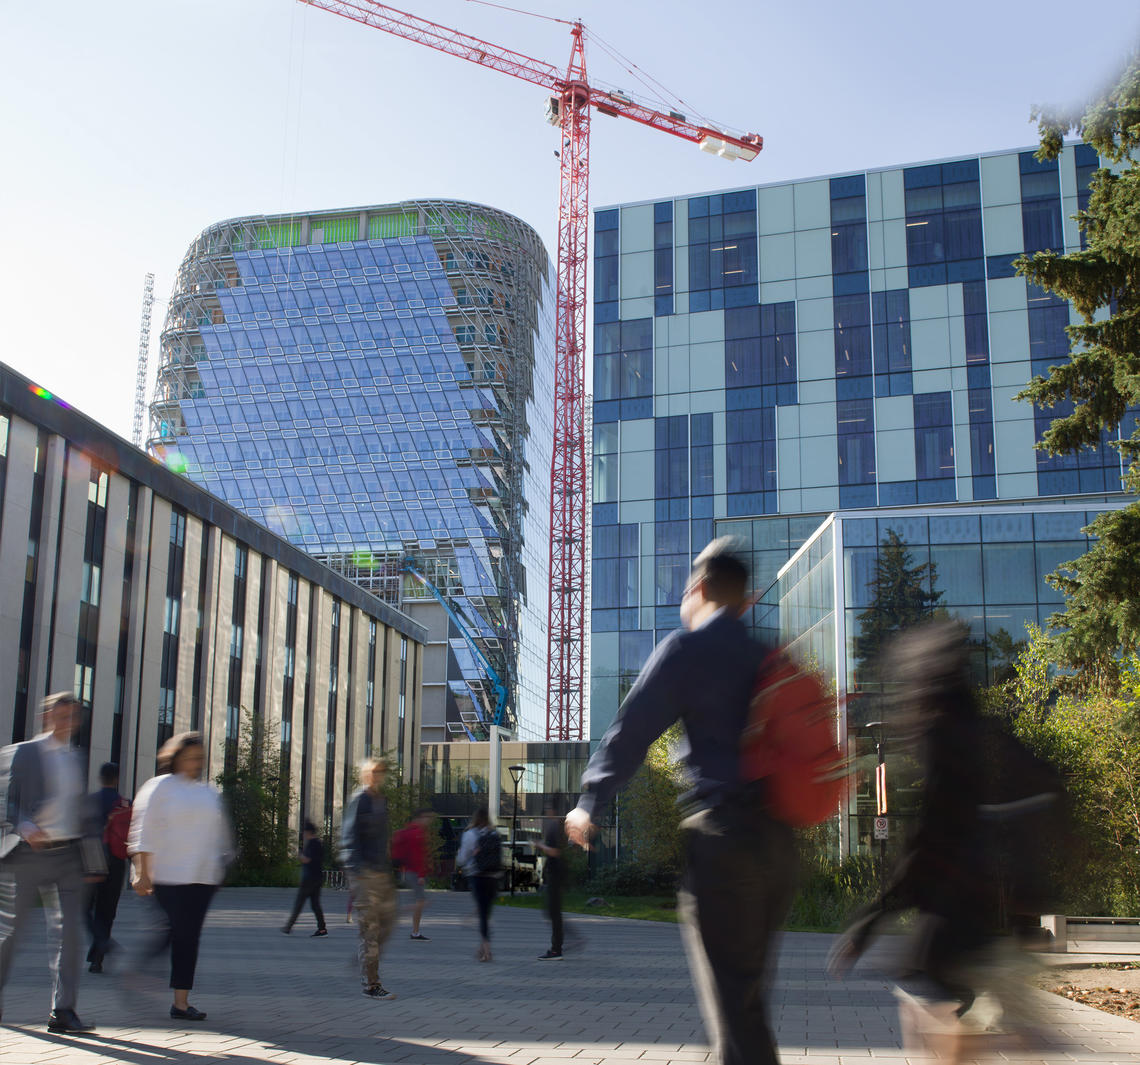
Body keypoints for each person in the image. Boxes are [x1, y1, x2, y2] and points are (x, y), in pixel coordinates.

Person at [565, 538, 796, 1065]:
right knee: (746, 1003)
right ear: (748, 599)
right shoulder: (770, 655)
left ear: (700, 588)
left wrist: (589, 802)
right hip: (779, 846)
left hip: (726, 844)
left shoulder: (687, 650)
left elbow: (630, 731)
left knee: (737, 1013)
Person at [0, 692, 105, 1034]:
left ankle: (63, 1012)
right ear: (46, 717)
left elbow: (83, 813)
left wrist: (93, 860)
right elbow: (7, 800)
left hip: (68, 855)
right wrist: (25, 826)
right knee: (11, 934)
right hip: (27, 854)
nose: (66, 722)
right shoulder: (26, 752)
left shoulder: (76, 757)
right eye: (60, 716)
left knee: (70, 935)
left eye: (72, 717)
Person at [128, 731, 232, 1022]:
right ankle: (138, 971)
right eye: (189, 757)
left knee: (188, 938)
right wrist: (141, 872)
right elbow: (143, 830)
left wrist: (221, 866)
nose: (195, 763)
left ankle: (181, 1003)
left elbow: (220, 833)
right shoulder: (159, 787)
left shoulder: (208, 792)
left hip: (203, 877)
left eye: (199, 758)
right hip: (168, 876)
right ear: (175, 757)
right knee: (175, 933)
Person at [340, 757, 398, 999]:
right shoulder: (360, 799)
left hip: (381, 873)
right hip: (364, 874)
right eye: (374, 771)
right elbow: (348, 836)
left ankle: (365, 958)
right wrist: (356, 871)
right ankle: (371, 984)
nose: (378, 775)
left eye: (381, 771)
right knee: (370, 929)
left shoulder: (381, 800)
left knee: (389, 922)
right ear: (365, 774)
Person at [86, 761, 130, 972]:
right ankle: (98, 959)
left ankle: (102, 941)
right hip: (117, 860)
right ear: (117, 779)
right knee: (107, 911)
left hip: (92, 857)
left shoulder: (90, 802)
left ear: (100, 778)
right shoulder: (125, 804)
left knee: (85, 908)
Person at [455, 804, 499, 962]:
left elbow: (462, 859)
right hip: (493, 876)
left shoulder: (470, 834)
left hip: (477, 876)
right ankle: (482, 948)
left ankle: (487, 952)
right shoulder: (493, 833)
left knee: (483, 915)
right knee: (486, 913)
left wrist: (460, 857)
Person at [392, 808, 433, 941]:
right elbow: (419, 856)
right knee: (422, 902)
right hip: (415, 872)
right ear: (420, 818)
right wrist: (421, 875)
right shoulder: (417, 833)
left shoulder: (408, 831)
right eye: (427, 818)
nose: (428, 821)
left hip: (407, 871)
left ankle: (415, 931)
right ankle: (397, 914)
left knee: (420, 902)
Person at [281, 820, 327, 937]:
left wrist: (300, 855)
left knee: (299, 903)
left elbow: (307, 859)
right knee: (315, 904)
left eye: (304, 832)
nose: (303, 834)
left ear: (308, 832)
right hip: (317, 877)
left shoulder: (312, 844)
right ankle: (322, 929)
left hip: (309, 879)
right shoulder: (319, 843)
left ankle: (288, 927)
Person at [537, 803, 567, 960]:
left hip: (555, 874)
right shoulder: (559, 827)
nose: (546, 811)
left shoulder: (556, 828)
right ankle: (558, 946)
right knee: (553, 912)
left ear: (553, 810)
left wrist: (540, 845)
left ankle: (556, 949)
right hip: (557, 873)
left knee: (553, 912)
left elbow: (555, 852)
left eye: (548, 808)